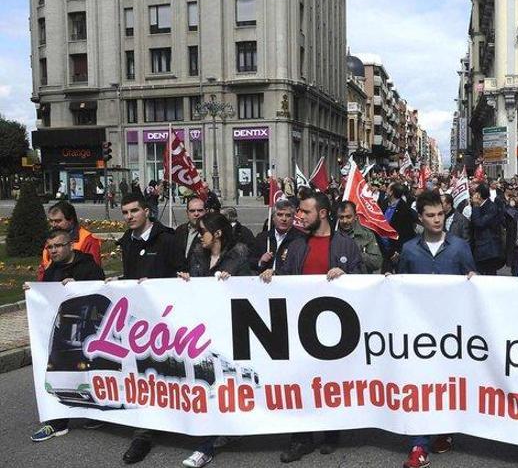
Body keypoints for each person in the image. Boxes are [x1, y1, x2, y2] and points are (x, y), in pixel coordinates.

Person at [262, 192, 363, 463]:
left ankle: (331, 431)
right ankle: (301, 437)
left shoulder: (346, 245)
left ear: (322, 214)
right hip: (299, 326)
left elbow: (364, 281)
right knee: (299, 379)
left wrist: (347, 277)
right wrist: (273, 275)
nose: (299, 216)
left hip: (334, 330)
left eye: (305, 212)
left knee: (330, 381)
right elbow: (284, 278)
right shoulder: (296, 246)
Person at [397, 190, 476, 468]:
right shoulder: (408, 249)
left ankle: (444, 429)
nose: (437, 219)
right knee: (420, 384)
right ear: (420, 218)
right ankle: (419, 444)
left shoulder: (459, 247)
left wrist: (473, 280)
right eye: (430, 215)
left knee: (447, 383)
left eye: (440, 214)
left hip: (452, 331)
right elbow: (399, 286)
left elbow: (473, 284)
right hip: (419, 332)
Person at [176, 212, 252, 468]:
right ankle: (208, 441)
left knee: (221, 383)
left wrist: (234, 283)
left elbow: (249, 291)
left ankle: (209, 443)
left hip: (229, 330)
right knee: (205, 383)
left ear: (217, 234)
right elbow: (193, 283)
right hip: (201, 332)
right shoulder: (197, 254)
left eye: (202, 232)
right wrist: (186, 280)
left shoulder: (238, 254)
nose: (199, 237)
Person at [111, 193, 178, 464]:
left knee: (169, 371)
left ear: (147, 212)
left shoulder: (167, 238)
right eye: (125, 212)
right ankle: (144, 432)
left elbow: (180, 271)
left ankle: (178, 419)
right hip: (139, 321)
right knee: (143, 372)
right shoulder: (127, 241)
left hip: (166, 318)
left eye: (134, 211)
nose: (129, 217)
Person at [28, 228, 106, 442]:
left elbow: (101, 292)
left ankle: (94, 414)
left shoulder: (88, 266)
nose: (53, 250)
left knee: (87, 377)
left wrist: (78, 286)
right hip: (62, 335)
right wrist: (33, 292)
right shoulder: (52, 269)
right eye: (50, 247)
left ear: (70, 245)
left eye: (58, 246)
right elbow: (46, 299)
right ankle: (56, 422)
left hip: (87, 334)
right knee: (56, 377)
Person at [37, 201, 102, 281]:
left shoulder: (88, 239)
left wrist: (77, 282)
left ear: (71, 220)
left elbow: (94, 273)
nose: (54, 225)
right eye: (51, 221)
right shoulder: (51, 238)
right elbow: (43, 268)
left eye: (58, 221)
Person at [250, 199, 300, 273]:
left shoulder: (299, 239)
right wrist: (260, 261)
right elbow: (249, 262)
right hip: (264, 281)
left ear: (293, 219)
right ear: (273, 217)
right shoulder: (263, 237)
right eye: (280, 215)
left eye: (288, 215)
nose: (284, 219)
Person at [336, 200, 383, 274]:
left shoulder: (366, 235)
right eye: (341, 217)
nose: (345, 221)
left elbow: (377, 262)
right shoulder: (332, 236)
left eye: (348, 217)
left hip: (361, 280)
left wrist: (357, 253)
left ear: (356, 217)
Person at [380, 182, 418, 273]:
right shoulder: (384, 204)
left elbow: (407, 233)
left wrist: (399, 250)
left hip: (397, 252)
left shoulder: (404, 209)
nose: (386, 190)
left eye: (388, 188)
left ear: (392, 192)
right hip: (384, 250)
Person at [469, 182, 504, 275]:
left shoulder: (491, 207)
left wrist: (475, 206)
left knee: (489, 278)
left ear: (479, 194)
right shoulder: (480, 206)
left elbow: (479, 223)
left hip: (488, 250)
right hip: (479, 248)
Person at [174, 197, 206, 269]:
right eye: (192, 211)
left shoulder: (210, 232)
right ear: (187, 213)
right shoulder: (180, 230)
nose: (196, 214)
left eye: (200, 210)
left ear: (205, 211)